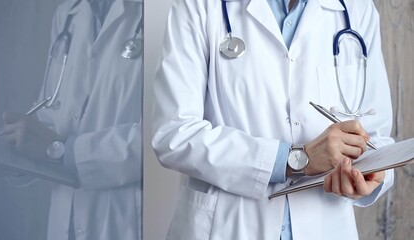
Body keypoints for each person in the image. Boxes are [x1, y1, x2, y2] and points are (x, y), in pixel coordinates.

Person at [152, 0, 394, 239]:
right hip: (229, 226)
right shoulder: (199, 6)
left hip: (325, 225)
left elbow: (376, 135)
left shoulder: (357, 8)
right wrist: (295, 159)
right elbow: (175, 134)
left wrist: (372, 174)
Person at [0, 0, 143, 239]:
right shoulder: (67, 14)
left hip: (120, 220)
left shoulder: (161, 13)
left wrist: (65, 152)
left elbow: (159, 140)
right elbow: (52, 114)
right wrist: (16, 152)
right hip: (64, 218)